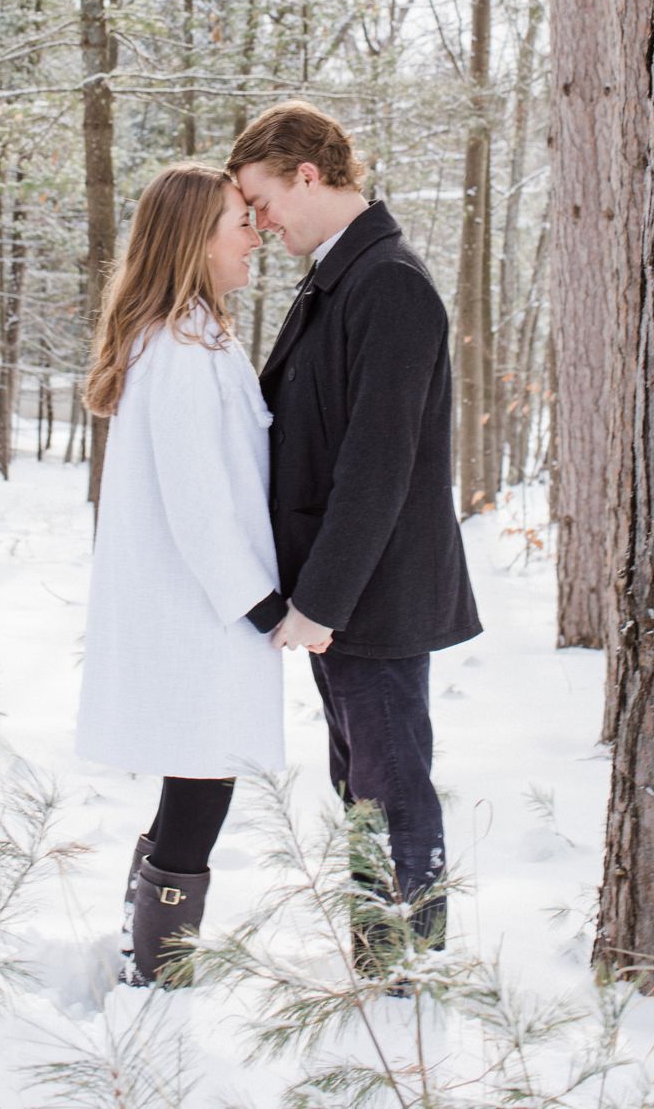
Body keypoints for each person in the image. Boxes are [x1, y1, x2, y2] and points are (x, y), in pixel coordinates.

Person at [229, 102, 482, 959]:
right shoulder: (340, 277)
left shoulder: (389, 284)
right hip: (341, 593)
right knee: (361, 782)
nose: (258, 223)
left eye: (261, 201)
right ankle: (385, 957)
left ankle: (407, 967)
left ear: (307, 174)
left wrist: (323, 598)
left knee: (389, 784)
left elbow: (379, 466)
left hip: (371, 593)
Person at [76, 163, 311, 987]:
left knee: (197, 777)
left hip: (202, 602)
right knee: (202, 779)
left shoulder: (196, 335)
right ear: (195, 241)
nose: (257, 236)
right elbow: (197, 498)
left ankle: (149, 947)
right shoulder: (177, 348)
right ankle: (158, 965)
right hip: (198, 606)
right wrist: (260, 605)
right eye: (240, 222)